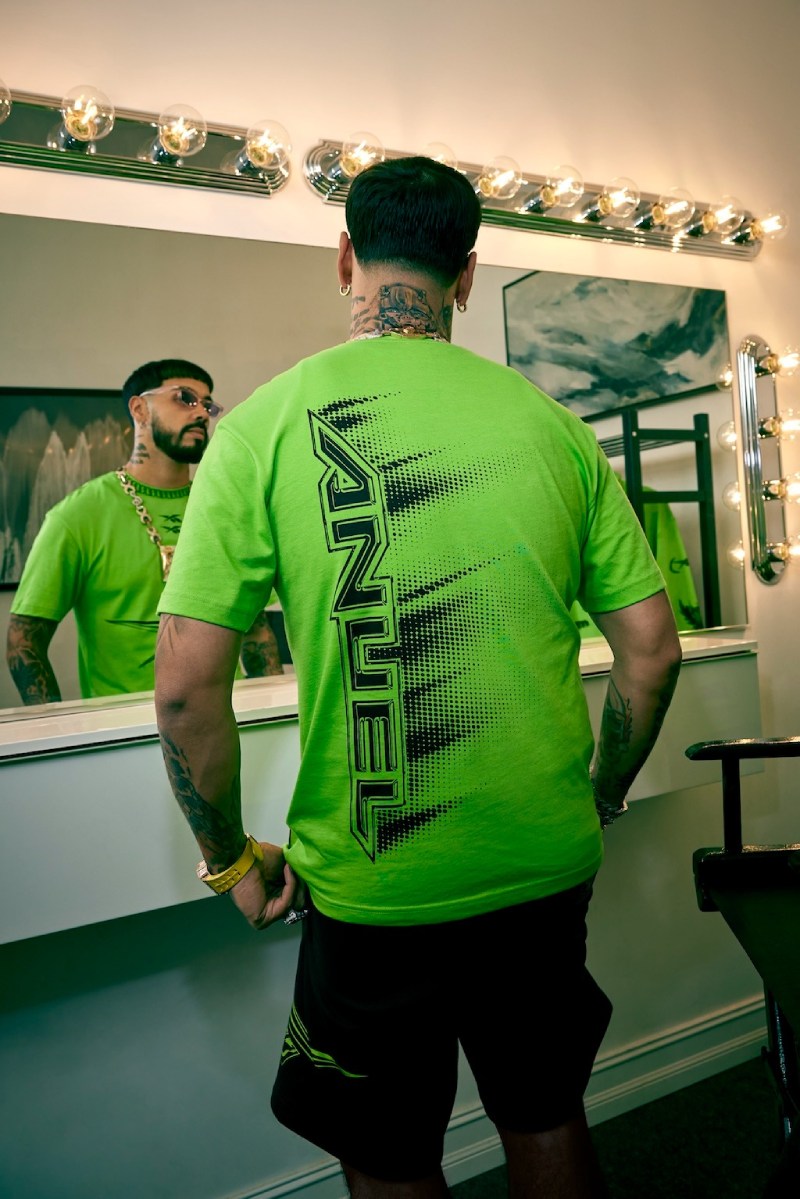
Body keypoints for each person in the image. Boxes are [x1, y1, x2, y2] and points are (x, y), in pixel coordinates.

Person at [154, 159, 682, 1199]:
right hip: (541, 865)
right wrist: (603, 792)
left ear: (345, 256)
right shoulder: (553, 426)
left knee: (389, 1151)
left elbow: (182, 688)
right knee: (544, 1108)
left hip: (375, 883)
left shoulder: (263, 425)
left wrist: (228, 860)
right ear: (468, 274)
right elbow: (652, 650)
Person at [6, 358, 282, 704]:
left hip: (225, 718)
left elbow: (255, 630)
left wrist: (275, 714)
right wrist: (56, 730)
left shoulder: (223, 508)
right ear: (139, 408)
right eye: (185, 398)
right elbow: (24, 642)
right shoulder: (77, 515)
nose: (201, 413)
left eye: (208, 405)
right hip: (126, 726)